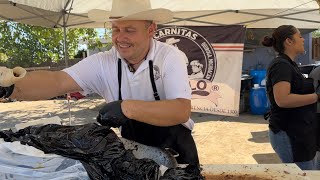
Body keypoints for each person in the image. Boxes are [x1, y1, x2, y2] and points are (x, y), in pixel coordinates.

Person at [0, 0, 199, 165]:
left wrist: (126, 108)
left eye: (129, 30)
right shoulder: (104, 62)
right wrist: (11, 86)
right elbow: (57, 81)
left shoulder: (169, 57)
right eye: (115, 29)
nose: (120, 37)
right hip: (135, 151)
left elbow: (180, 110)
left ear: (151, 29)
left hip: (177, 149)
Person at [262, 25, 319, 170]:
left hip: (298, 131)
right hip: (288, 133)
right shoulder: (281, 65)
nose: (303, 40)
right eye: (299, 36)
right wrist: (317, 97)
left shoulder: (290, 64)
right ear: (289, 41)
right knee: (302, 175)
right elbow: (283, 100)